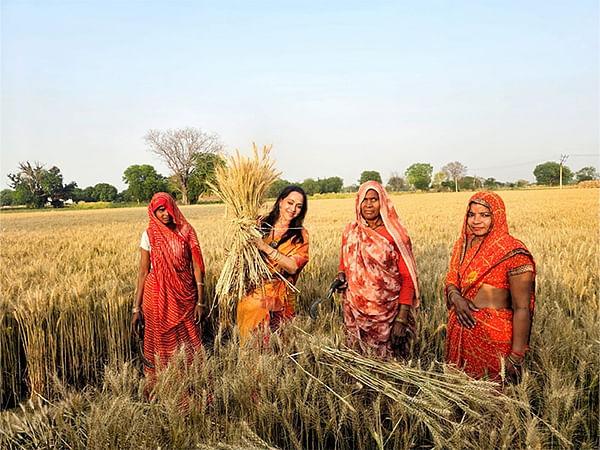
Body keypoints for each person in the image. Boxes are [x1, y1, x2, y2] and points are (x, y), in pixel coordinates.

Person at [445, 191, 535, 383]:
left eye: (485, 215)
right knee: (459, 398)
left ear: (497, 216)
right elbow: (452, 278)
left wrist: (517, 356)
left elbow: (522, 307)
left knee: (493, 403)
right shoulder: (462, 245)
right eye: (471, 214)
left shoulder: (513, 253)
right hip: (460, 334)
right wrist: (456, 298)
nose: (476, 221)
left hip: (494, 339)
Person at [335, 181, 419, 359]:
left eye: (374, 199)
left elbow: (407, 277)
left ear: (383, 201)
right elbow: (345, 261)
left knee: (389, 367)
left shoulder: (396, 235)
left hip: (387, 314)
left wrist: (402, 317)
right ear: (358, 202)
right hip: (355, 309)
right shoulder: (351, 231)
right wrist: (341, 274)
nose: (368, 204)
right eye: (364, 200)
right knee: (358, 363)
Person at [131, 192, 205, 379]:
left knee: (190, 340)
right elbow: (143, 272)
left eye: (167, 208)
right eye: (159, 210)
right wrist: (136, 308)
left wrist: (200, 302)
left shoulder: (186, 231)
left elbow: (197, 267)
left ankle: (191, 382)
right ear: (153, 212)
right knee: (159, 342)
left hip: (185, 293)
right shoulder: (148, 235)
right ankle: (163, 385)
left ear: (174, 207)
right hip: (155, 296)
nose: (165, 214)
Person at [237, 186, 309, 342]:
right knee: (253, 347)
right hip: (253, 295)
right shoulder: (259, 223)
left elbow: (293, 266)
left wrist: (264, 247)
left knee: (282, 347)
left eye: (298, 206)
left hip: (282, 299)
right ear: (280, 202)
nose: (293, 209)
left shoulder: (300, 235)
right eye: (290, 203)